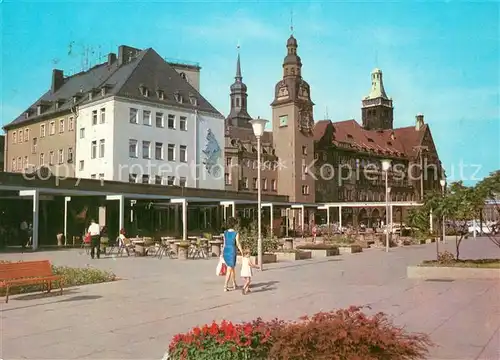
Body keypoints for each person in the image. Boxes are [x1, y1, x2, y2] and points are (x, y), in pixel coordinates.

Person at [222, 217, 243, 292]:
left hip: (226, 251)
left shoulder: (225, 233)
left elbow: (224, 244)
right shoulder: (236, 233)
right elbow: (238, 243)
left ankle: (234, 284)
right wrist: (242, 251)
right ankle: (225, 286)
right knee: (230, 269)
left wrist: (222, 254)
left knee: (232, 268)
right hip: (231, 251)